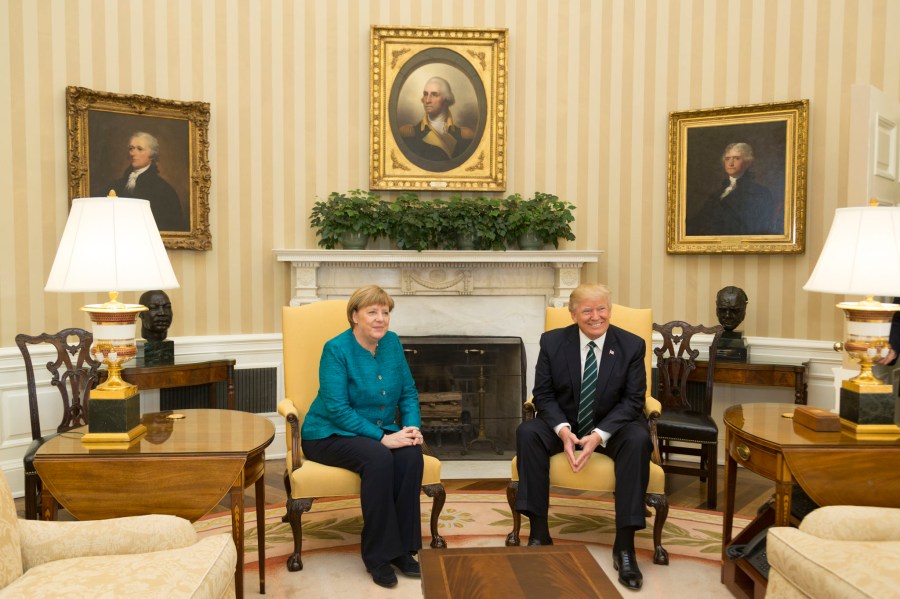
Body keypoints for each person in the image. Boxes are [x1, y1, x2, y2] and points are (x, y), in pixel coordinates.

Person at [515, 283, 651, 590]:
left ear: (610, 310)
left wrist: (598, 436)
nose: (595, 316)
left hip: (614, 426)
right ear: (573, 313)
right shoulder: (553, 342)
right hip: (566, 421)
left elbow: (633, 400)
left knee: (639, 439)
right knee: (527, 432)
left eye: (601, 308)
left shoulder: (631, 345)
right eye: (587, 310)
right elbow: (544, 394)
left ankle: (625, 546)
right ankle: (539, 534)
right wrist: (563, 432)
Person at [300, 285, 425, 589]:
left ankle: (404, 550)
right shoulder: (336, 349)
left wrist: (410, 428)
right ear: (355, 316)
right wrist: (382, 439)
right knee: (379, 458)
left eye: (385, 312)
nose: (380, 319)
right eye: (372, 312)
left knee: (410, 455)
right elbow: (337, 409)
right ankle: (378, 556)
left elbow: (408, 392)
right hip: (327, 433)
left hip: (377, 430)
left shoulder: (392, 343)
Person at [686, 142, 782, 236]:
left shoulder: (759, 192)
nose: (731, 163)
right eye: (727, 159)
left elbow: (757, 227)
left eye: (737, 158)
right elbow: (699, 221)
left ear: (747, 163)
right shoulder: (718, 193)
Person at [107, 131, 187, 232]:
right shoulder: (117, 185)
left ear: (152, 155)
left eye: (139, 149)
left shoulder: (164, 190)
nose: (133, 153)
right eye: (131, 148)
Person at [399, 76, 475, 162]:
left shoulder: (464, 135)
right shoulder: (409, 134)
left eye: (434, 95)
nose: (427, 100)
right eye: (425, 94)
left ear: (446, 99)